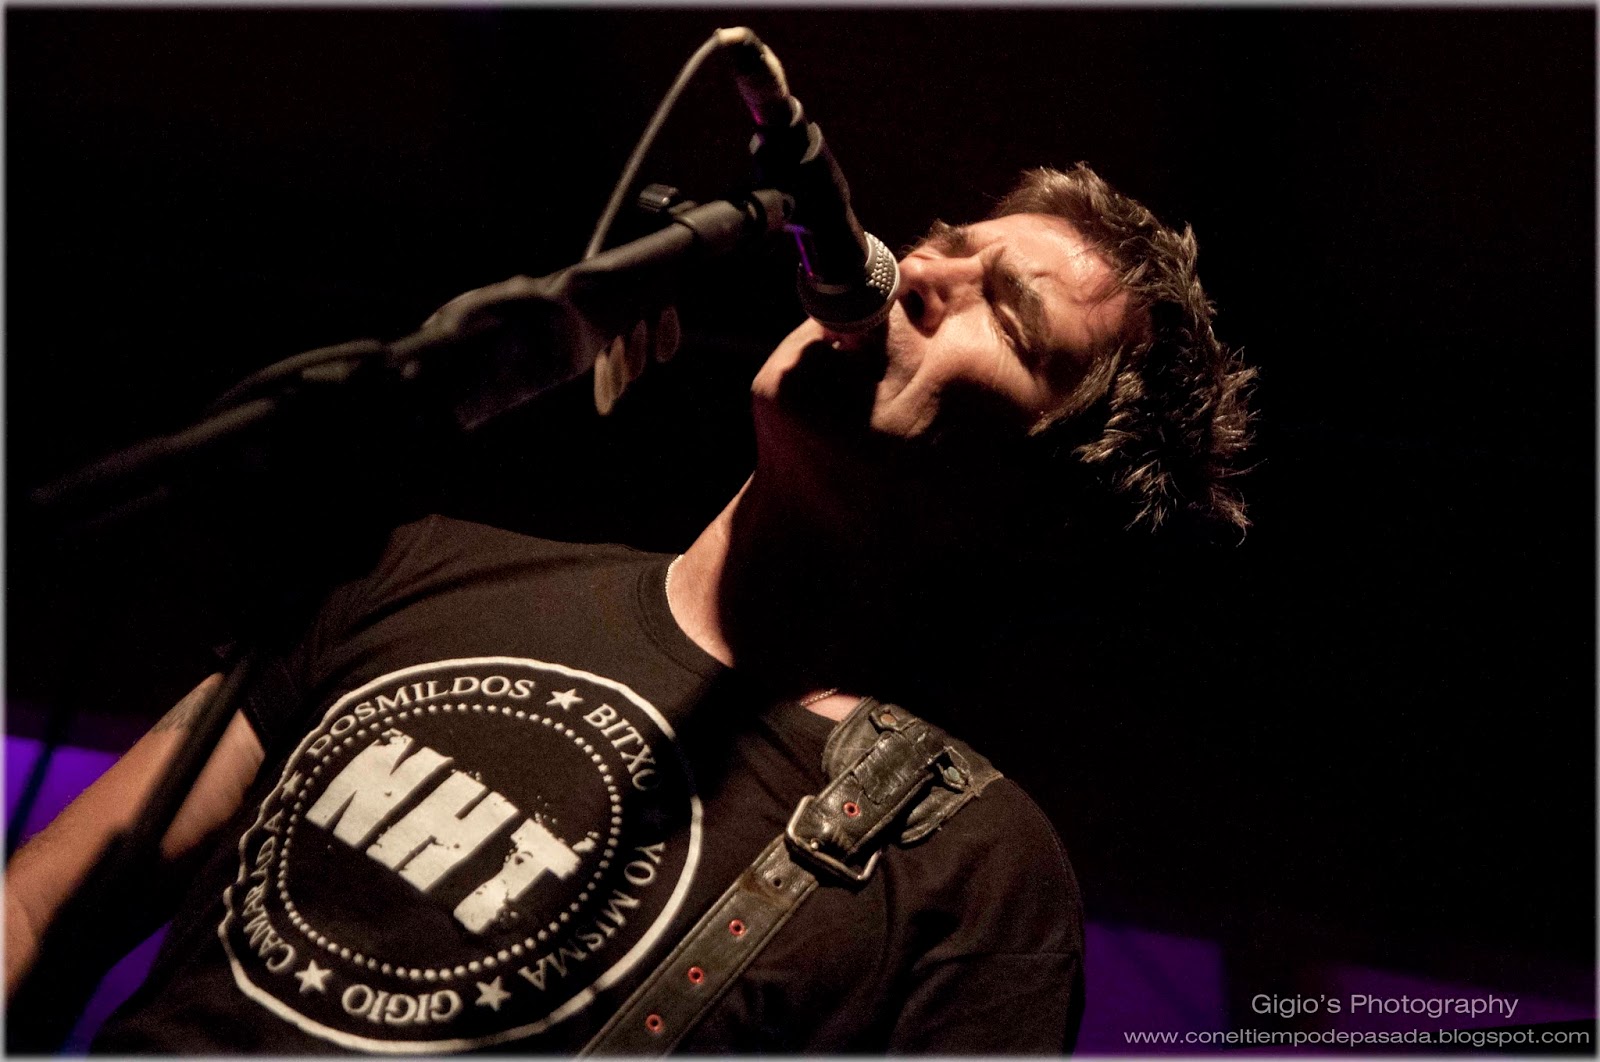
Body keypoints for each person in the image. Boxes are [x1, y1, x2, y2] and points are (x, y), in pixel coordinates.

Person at [4, 162, 1252, 1053]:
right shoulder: (420, 568)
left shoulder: (967, 873)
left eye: (1007, 311)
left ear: (1034, 508)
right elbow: (32, 910)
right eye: (943, 242)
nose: (920, 272)